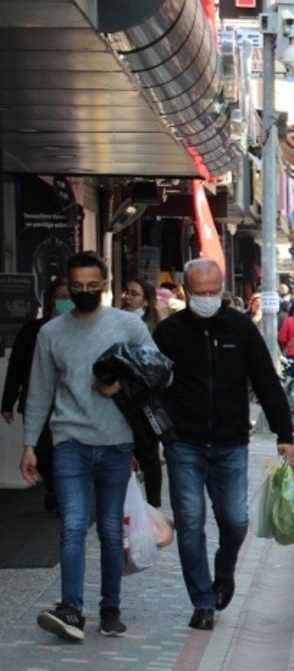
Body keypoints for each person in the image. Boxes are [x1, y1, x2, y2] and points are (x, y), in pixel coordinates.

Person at [152, 259, 294, 632]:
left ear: (222, 290)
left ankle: (225, 570)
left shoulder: (240, 328)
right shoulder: (169, 333)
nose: (207, 298)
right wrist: (159, 433)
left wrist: (285, 435)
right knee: (190, 522)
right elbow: (150, 386)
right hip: (184, 442)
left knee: (235, 519)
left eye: (213, 292)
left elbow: (266, 381)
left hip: (232, 442)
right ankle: (202, 600)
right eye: (199, 293)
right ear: (185, 291)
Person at [19, 252, 154, 641]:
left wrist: (122, 385)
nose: (83, 292)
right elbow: (41, 391)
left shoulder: (127, 325)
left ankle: (110, 608)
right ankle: (71, 609)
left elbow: (161, 369)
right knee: (73, 525)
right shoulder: (51, 333)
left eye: (92, 286)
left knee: (111, 530)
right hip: (69, 442)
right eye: (76, 287)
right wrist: (29, 443)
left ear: (106, 283)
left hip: (116, 442)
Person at [3, 277, 71, 512]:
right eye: (61, 297)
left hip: (69, 402)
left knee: (65, 450)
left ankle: (63, 493)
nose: (66, 302)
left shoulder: (79, 331)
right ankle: (54, 487)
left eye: (69, 297)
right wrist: (7, 401)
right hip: (37, 399)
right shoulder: (33, 330)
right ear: (51, 300)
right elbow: (17, 366)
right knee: (41, 450)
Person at [117, 278, 165, 506]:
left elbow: (155, 366)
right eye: (126, 292)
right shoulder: (114, 321)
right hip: (117, 401)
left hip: (143, 400)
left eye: (134, 293)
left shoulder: (153, 327)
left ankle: (153, 506)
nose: (128, 297)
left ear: (146, 300)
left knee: (148, 454)